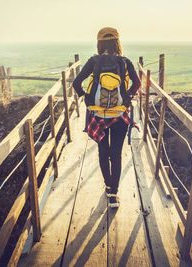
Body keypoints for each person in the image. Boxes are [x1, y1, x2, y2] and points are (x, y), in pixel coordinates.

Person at [72, 27, 141, 208]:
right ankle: (114, 194)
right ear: (117, 42)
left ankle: (108, 185)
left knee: (103, 152)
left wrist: (87, 100)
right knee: (116, 154)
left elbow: (76, 83)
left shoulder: (94, 62)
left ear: (99, 43)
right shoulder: (125, 61)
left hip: (98, 116)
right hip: (119, 115)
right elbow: (138, 83)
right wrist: (126, 100)